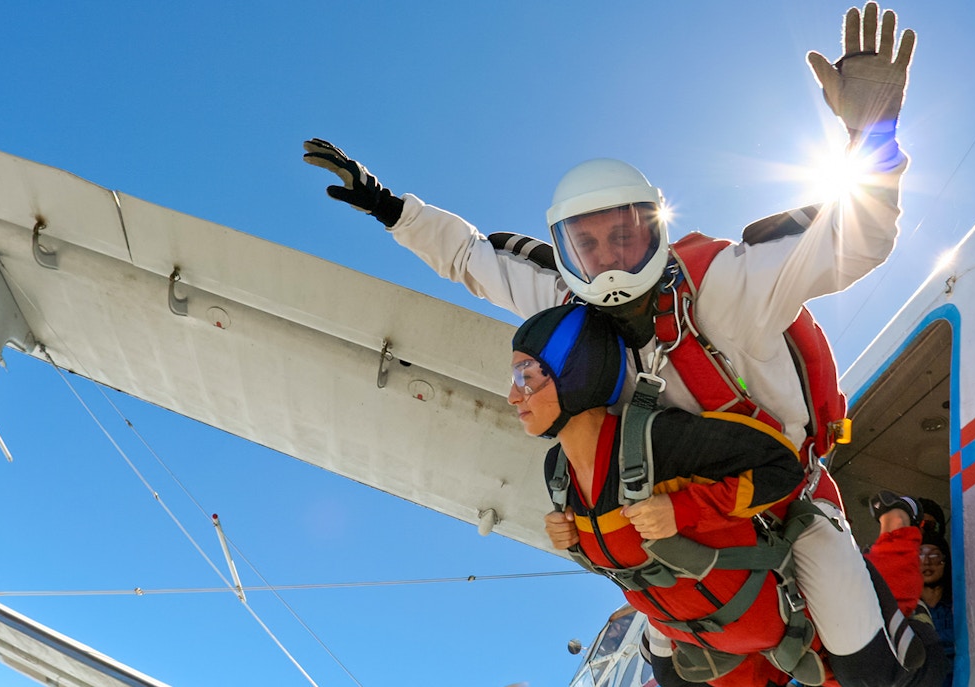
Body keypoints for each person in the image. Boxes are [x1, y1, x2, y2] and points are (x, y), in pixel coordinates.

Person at [305, 1, 919, 679]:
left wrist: (873, 135)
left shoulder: (724, 288)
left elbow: (854, 241)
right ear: (565, 250)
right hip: (672, 524)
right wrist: (392, 208)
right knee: (670, 670)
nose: (611, 258)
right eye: (588, 243)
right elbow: (473, 261)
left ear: (654, 227)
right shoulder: (569, 310)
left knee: (868, 672)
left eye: (625, 234)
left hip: (785, 502)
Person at [514, 304, 949, 687]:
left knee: (872, 674)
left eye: (526, 377)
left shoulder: (657, 440)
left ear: (574, 372)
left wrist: (682, 509)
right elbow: (619, 550)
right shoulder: (558, 474)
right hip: (703, 625)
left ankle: (898, 541)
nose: (513, 395)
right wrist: (574, 540)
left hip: (760, 597)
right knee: (672, 677)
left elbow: (782, 468)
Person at [919, 529, 955, 687]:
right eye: (920, 554)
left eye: (934, 555)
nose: (926, 562)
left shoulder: (959, 608)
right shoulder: (905, 611)